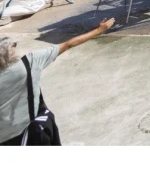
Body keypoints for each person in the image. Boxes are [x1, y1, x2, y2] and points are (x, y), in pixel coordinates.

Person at [0, 18, 115, 146]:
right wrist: (99, 30)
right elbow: (68, 44)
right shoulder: (30, 62)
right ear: (9, 53)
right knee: (46, 120)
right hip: (29, 131)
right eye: (13, 45)